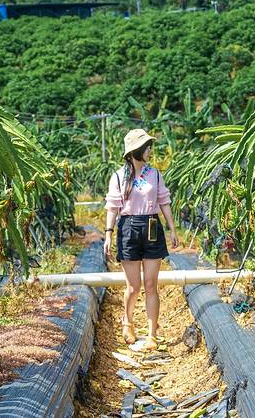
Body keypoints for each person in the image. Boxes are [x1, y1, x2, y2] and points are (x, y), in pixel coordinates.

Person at [103, 128, 179, 350]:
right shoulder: (118, 177)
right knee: (133, 286)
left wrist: (172, 229)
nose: (150, 151)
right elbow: (112, 207)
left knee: (151, 284)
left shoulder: (155, 174)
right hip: (128, 228)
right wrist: (108, 234)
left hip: (152, 226)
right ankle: (127, 322)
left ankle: (152, 334)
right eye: (147, 147)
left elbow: (164, 201)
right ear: (135, 150)